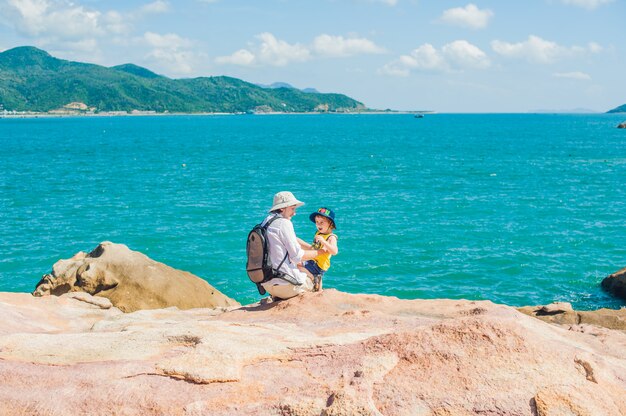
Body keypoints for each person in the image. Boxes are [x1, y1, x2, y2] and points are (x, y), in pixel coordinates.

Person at [260, 191, 324, 300]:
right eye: (292, 209)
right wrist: (319, 253)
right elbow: (297, 256)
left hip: (267, 284)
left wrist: (310, 248)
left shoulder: (266, 222)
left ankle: (277, 297)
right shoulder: (285, 223)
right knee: (315, 278)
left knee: (299, 268)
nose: (294, 213)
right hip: (286, 286)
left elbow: (292, 238)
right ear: (282, 208)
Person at [297, 207, 338, 291]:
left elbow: (334, 251)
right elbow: (314, 248)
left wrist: (324, 242)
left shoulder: (331, 237)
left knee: (297, 265)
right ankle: (318, 288)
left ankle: (313, 277)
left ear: (330, 223)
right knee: (297, 263)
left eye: (322, 222)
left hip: (319, 265)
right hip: (314, 260)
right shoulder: (318, 233)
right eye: (317, 222)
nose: (318, 224)